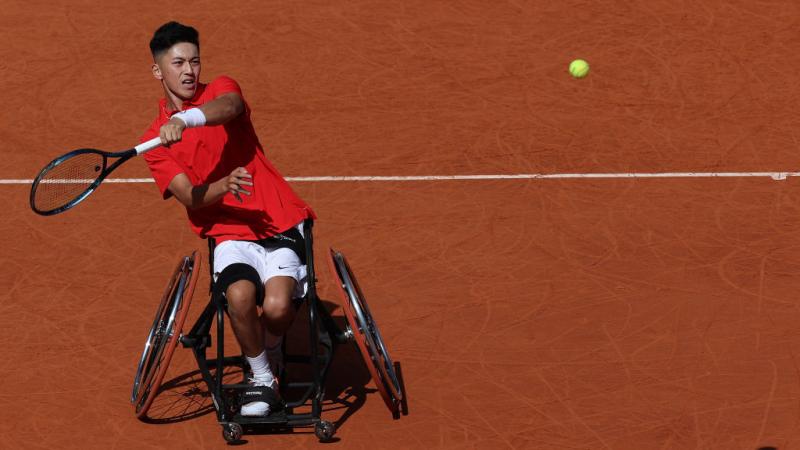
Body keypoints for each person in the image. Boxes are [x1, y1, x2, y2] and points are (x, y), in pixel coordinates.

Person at [140, 21, 315, 417]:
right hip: (228, 232)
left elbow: (230, 108)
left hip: (279, 219)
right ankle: (262, 378)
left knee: (275, 307)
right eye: (178, 63)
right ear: (158, 71)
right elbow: (189, 196)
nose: (189, 71)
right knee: (238, 296)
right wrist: (222, 186)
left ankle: (270, 348)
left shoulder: (220, 89)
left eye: (194, 61)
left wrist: (186, 120)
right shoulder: (156, 142)